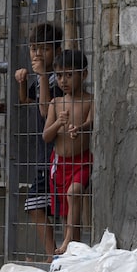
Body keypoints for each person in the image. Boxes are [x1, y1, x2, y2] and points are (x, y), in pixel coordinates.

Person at [14, 23, 63, 257]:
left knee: (40, 204)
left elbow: (45, 111)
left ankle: (54, 256)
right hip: (45, 156)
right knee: (37, 205)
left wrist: (42, 75)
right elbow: (28, 101)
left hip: (58, 154)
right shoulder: (44, 78)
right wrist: (23, 82)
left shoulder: (58, 80)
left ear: (56, 52)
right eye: (34, 48)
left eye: (44, 49)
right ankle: (53, 255)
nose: (37, 54)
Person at [43, 49, 93, 256]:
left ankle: (66, 243)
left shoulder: (90, 100)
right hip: (60, 163)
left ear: (84, 75)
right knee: (65, 211)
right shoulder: (56, 103)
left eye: (69, 75)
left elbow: (91, 123)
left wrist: (79, 128)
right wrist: (58, 123)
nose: (63, 81)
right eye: (59, 76)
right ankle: (74, 249)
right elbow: (46, 135)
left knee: (74, 193)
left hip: (81, 160)